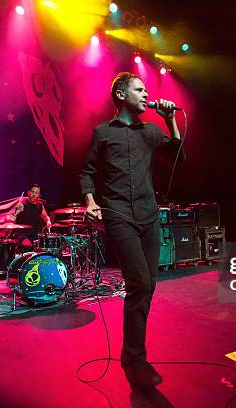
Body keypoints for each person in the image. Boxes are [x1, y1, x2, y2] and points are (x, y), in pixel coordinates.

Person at [79, 72, 185, 388]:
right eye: (140, 89)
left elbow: (180, 157)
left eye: (146, 89)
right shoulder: (102, 133)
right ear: (122, 94)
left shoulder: (151, 132)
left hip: (149, 216)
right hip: (118, 215)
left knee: (148, 284)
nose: (146, 93)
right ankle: (136, 359)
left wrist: (170, 121)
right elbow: (86, 172)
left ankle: (130, 354)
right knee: (139, 283)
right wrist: (89, 200)